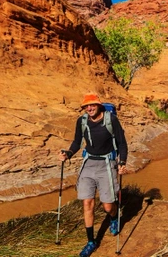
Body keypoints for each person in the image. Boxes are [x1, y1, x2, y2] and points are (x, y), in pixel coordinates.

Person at [60, 93, 128, 257]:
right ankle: (91, 241)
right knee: (87, 203)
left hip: (107, 164)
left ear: (99, 106)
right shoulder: (82, 121)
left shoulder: (111, 120)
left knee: (108, 206)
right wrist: (68, 153)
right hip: (88, 163)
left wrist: (122, 162)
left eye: (92, 105)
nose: (89, 109)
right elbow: (77, 142)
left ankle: (113, 217)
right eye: (86, 106)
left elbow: (122, 143)